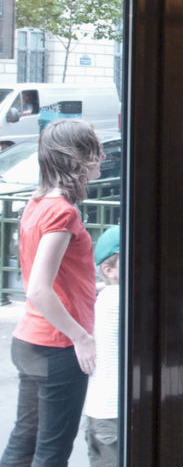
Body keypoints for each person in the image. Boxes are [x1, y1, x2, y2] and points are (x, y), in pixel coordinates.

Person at [0, 119, 103, 467]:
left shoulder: (37, 202)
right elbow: (40, 290)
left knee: (23, 441)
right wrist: (81, 338)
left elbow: (50, 277)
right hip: (56, 347)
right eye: (96, 149)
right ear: (80, 157)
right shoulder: (63, 212)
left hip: (30, 340)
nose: (102, 156)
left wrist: (90, 287)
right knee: (52, 451)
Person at [83, 225, 120, 467]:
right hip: (115, 413)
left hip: (97, 409)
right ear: (108, 270)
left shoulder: (105, 298)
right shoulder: (122, 301)